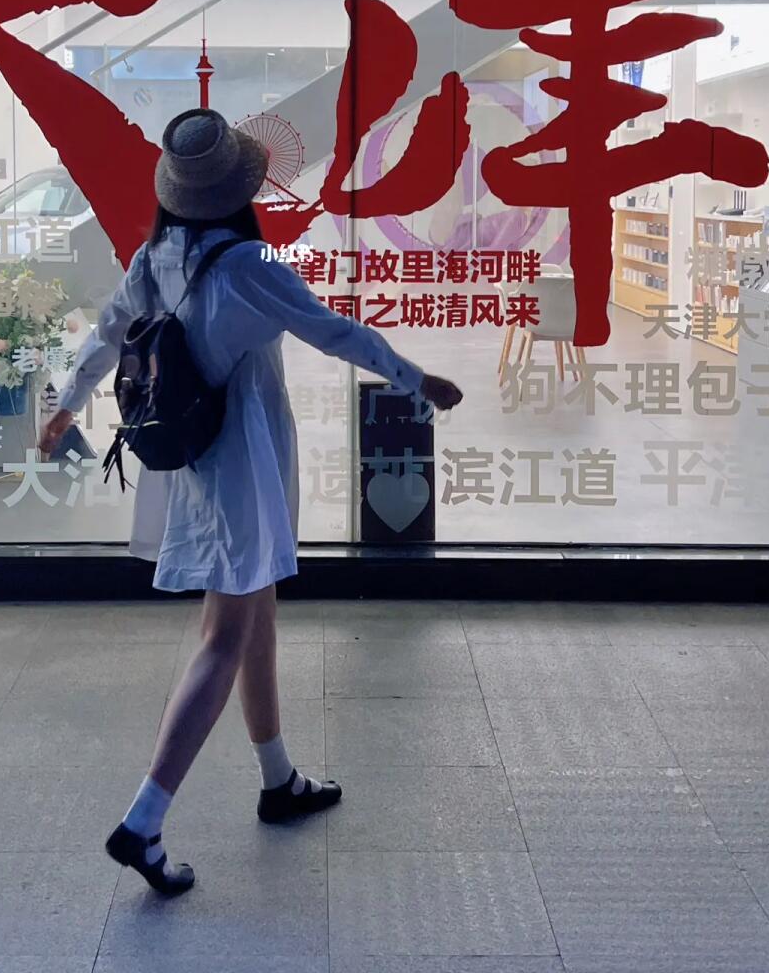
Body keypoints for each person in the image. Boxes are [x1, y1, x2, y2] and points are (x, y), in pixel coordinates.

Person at [39, 107, 462, 898]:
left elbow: (107, 333)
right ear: (239, 190)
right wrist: (419, 380)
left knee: (256, 610)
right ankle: (143, 822)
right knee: (225, 635)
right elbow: (333, 332)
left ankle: (278, 779)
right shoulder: (249, 263)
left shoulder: (157, 256)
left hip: (197, 460)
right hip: (243, 461)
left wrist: (67, 405)